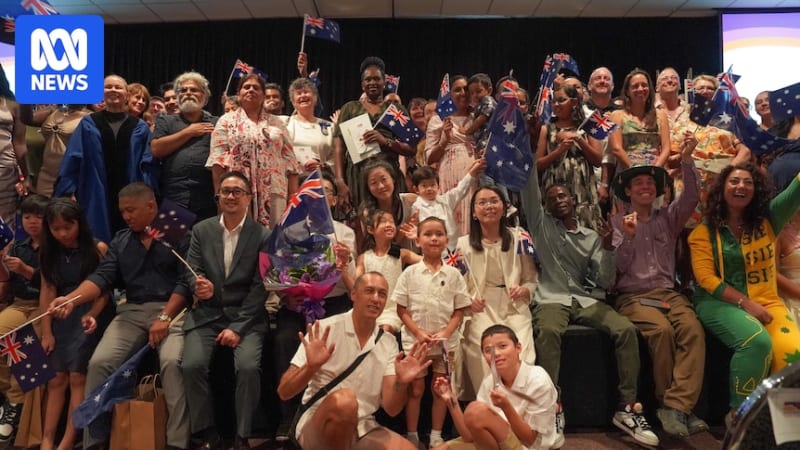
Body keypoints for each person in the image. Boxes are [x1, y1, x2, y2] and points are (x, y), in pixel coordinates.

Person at [520, 146, 659, 447]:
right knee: (547, 331)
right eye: (552, 198)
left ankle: (627, 408)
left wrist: (609, 247)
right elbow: (529, 191)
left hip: (585, 299)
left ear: (573, 200)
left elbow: (605, 280)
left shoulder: (593, 235)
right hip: (551, 298)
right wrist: (530, 157)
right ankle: (551, 407)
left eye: (563, 196)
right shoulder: (542, 226)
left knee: (625, 330)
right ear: (546, 205)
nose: (558, 200)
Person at [48, 182, 190, 450]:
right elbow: (102, 278)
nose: (126, 216)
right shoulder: (121, 239)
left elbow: (186, 281)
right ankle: (95, 440)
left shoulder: (174, 228)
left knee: (172, 362)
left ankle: (177, 442)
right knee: (99, 362)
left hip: (173, 310)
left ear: (151, 206)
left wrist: (165, 316)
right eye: (122, 211)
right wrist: (70, 298)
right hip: (132, 311)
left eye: (131, 210)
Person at [610, 131, 709, 437]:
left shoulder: (669, 217)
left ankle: (676, 407)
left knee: (692, 329)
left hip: (669, 293)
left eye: (650, 182)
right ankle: (674, 405)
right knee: (662, 332)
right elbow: (617, 270)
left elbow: (692, 195)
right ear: (628, 191)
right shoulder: (617, 222)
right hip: (633, 296)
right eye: (638, 183)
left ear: (657, 190)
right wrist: (626, 238)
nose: (645, 186)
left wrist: (689, 160)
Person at [688, 163, 800, 424]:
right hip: (717, 302)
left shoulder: (769, 220)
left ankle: (787, 426)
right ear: (722, 189)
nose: (741, 186)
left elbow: (796, 190)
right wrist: (746, 303)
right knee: (757, 342)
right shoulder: (703, 233)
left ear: (756, 189)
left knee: (794, 350)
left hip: (767, 302)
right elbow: (706, 280)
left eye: (748, 182)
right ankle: (740, 417)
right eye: (734, 181)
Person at [276, 272, 432, 450]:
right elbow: (284, 392)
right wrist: (310, 368)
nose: (376, 299)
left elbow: (392, 409)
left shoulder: (388, 342)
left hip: (362, 426)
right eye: (369, 291)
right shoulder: (325, 329)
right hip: (318, 423)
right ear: (354, 294)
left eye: (382, 294)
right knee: (345, 402)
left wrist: (402, 383)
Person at [182, 171, 269, 450]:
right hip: (207, 314)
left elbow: (260, 288)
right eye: (226, 191)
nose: (231, 196)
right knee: (191, 364)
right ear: (217, 196)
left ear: (249, 197)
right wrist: (198, 286)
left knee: (247, 367)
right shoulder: (201, 230)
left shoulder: (263, 235)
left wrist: (237, 328)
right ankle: (206, 433)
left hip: (247, 317)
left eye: (237, 191)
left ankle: (242, 436)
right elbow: (191, 270)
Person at [271, 169, 357, 442]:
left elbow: (352, 285)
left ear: (332, 200)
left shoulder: (345, 233)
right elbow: (276, 274)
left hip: (333, 304)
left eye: (326, 193)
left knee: (336, 345)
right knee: (284, 339)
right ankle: (287, 417)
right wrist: (286, 295)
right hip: (297, 304)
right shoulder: (290, 230)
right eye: (313, 193)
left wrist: (345, 262)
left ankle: (332, 408)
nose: (319, 197)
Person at [39, 198, 112, 450]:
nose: (62, 234)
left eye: (67, 227)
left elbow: (105, 291)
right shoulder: (48, 251)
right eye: (55, 228)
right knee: (55, 379)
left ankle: (69, 441)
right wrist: (46, 331)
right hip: (59, 315)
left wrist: (91, 312)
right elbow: (47, 289)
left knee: (77, 377)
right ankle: (47, 440)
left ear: (79, 223)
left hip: (87, 315)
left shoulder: (97, 248)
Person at [394, 217, 471, 448]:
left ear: (447, 239)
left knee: (440, 389)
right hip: (416, 343)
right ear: (417, 240)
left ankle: (437, 434)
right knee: (416, 389)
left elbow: (459, 309)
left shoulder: (454, 274)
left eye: (439, 234)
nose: (434, 238)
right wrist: (417, 332)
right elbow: (401, 308)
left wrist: (447, 332)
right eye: (427, 234)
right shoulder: (409, 273)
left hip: (446, 345)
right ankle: (412, 434)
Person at [456, 186, 538, 401]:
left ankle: (522, 412)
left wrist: (524, 290)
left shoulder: (521, 237)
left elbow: (531, 279)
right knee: (484, 355)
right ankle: (490, 410)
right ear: (473, 212)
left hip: (514, 307)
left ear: (504, 207)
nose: (488, 206)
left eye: (494, 201)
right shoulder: (462, 245)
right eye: (482, 202)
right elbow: (457, 285)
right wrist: (467, 301)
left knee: (522, 355)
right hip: (481, 308)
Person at [54, 74, 158, 243]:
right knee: (97, 237)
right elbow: (73, 158)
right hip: (95, 191)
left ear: (126, 93)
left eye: (118, 87)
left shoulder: (139, 127)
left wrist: (148, 192)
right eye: (108, 87)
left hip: (131, 188)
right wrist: (68, 191)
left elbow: (147, 164)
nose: (113, 90)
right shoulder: (88, 124)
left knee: (132, 240)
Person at [431, 325, 560, 450]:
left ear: (518, 348)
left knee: (475, 410)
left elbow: (530, 439)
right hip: (498, 442)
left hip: (529, 446)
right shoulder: (490, 381)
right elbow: (469, 436)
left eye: (503, 346)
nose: (496, 353)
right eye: (488, 350)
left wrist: (506, 407)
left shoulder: (538, 379)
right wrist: (451, 400)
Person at [206, 74, 301, 228]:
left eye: (256, 88)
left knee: (272, 241)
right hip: (237, 191)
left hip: (275, 192)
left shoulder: (278, 123)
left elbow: (290, 162)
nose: (251, 90)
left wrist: (293, 198)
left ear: (263, 95)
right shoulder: (226, 121)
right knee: (241, 239)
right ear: (239, 94)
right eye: (246, 87)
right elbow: (217, 161)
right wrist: (219, 196)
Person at [332, 56, 415, 215]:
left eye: (376, 79)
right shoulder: (350, 108)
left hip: (388, 176)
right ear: (362, 84)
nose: (372, 83)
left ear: (384, 82)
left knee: (390, 222)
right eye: (367, 79)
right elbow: (338, 148)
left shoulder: (394, 110)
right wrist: (340, 182)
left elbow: (411, 148)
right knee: (360, 223)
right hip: (357, 175)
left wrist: (386, 142)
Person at [0, 194, 48, 443]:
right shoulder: (19, 246)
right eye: (27, 217)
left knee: (28, 343)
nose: (31, 222)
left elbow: (56, 283)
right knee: (2, 332)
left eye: (38, 217)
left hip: (45, 306)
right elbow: (7, 284)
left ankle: (16, 406)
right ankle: (6, 398)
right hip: (20, 304)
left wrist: (27, 270)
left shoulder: (55, 246)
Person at [151, 71, 218, 222]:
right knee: (167, 244)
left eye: (194, 90)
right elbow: (156, 149)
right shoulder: (165, 121)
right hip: (173, 198)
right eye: (183, 90)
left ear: (205, 96)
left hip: (208, 200)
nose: (188, 93)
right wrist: (188, 132)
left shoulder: (217, 122)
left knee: (206, 245)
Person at [535, 83, 602, 229]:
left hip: (582, 192)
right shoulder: (546, 128)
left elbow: (597, 160)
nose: (557, 104)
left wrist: (578, 139)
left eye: (561, 100)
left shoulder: (588, 126)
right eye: (554, 101)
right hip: (555, 190)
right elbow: (538, 164)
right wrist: (558, 151)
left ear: (574, 102)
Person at [343, 209, 421, 333]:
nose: (389, 224)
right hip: (368, 307)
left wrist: (419, 239)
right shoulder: (364, 258)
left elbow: (428, 262)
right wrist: (343, 272)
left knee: (384, 329)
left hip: (392, 310)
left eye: (392, 222)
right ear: (370, 230)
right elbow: (354, 288)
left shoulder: (402, 254)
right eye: (383, 222)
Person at [426, 75, 476, 237]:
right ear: (449, 94)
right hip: (449, 177)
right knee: (451, 221)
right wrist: (444, 141)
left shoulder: (478, 117)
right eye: (457, 90)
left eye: (466, 89)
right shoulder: (438, 119)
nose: (463, 93)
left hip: (476, 176)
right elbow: (429, 158)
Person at [410, 160, 484, 251]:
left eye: (432, 185)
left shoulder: (446, 200)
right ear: (416, 189)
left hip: (454, 247)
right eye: (424, 186)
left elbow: (460, 189)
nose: (429, 189)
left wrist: (472, 173)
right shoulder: (417, 207)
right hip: (433, 250)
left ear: (438, 186)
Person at [608, 69, 670, 172]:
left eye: (644, 85)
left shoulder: (661, 115)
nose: (640, 89)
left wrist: (654, 171)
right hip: (627, 172)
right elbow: (616, 149)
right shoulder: (616, 116)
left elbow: (666, 149)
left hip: (655, 171)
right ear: (627, 91)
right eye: (635, 86)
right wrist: (636, 172)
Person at [21, 104, 89, 197]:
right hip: (46, 175)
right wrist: (25, 97)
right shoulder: (53, 110)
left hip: (72, 178)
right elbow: (27, 119)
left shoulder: (90, 116)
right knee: (43, 209)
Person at [285, 78, 334, 172]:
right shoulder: (286, 124)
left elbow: (335, 157)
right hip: (292, 180)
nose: (303, 95)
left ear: (315, 98)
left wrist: (323, 167)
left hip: (321, 179)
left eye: (306, 92)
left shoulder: (329, 126)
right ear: (293, 101)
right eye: (298, 93)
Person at [0, 94, 28, 227]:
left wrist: (27, 177)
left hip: (6, 171)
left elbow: (20, 143)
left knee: (6, 224)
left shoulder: (13, 103)